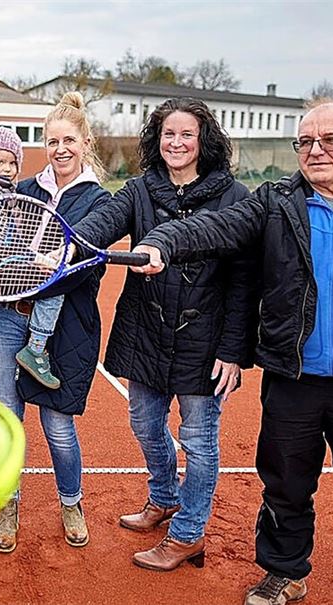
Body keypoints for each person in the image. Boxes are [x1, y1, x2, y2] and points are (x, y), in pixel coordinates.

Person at [134, 101, 333, 605]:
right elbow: (214, 227)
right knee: (285, 487)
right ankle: (284, 572)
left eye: (330, 140)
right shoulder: (275, 202)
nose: (315, 150)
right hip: (294, 378)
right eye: (306, 141)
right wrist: (163, 240)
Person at [72, 97, 258, 571]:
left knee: (198, 440)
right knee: (145, 426)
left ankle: (188, 534)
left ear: (203, 141)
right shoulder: (139, 191)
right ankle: (163, 496)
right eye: (167, 134)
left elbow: (242, 284)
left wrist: (233, 350)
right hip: (145, 333)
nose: (176, 143)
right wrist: (69, 240)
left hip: (205, 341)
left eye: (186, 134)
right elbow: (103, 221)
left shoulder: (232, 198)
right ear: (157, 140)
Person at [0, 93, 109, 552]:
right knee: (8, 419)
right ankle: (9, 503)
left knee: (58, 426)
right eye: (51, 141)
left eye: (69, 140)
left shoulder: (99, 199)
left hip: (62, 329)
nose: (60, 149)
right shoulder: (25, 190)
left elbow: (90, 269)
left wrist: (37, 270)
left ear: (85, 143)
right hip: (6, 320)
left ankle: (70, 502)